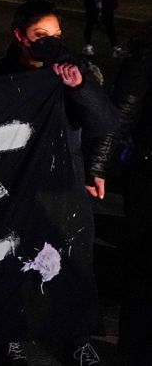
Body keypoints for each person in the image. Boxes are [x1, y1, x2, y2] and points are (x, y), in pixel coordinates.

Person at [0, 0, 118, 366]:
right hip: (16, 185)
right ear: (21, 37)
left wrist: (79, 87)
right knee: (14, 261)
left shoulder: (72, 71)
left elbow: (105, 123)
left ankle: (76, 341)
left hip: (64, 186)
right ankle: (11, 337)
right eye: (40, 33)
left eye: (56, 33)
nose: (50, 40)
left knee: (75, 263)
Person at [107, 21, 152, 364]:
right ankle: (134, 352)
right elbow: (119, 116)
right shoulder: (146, 59)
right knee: (144, 269)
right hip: (149, 175)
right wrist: (98, 166)